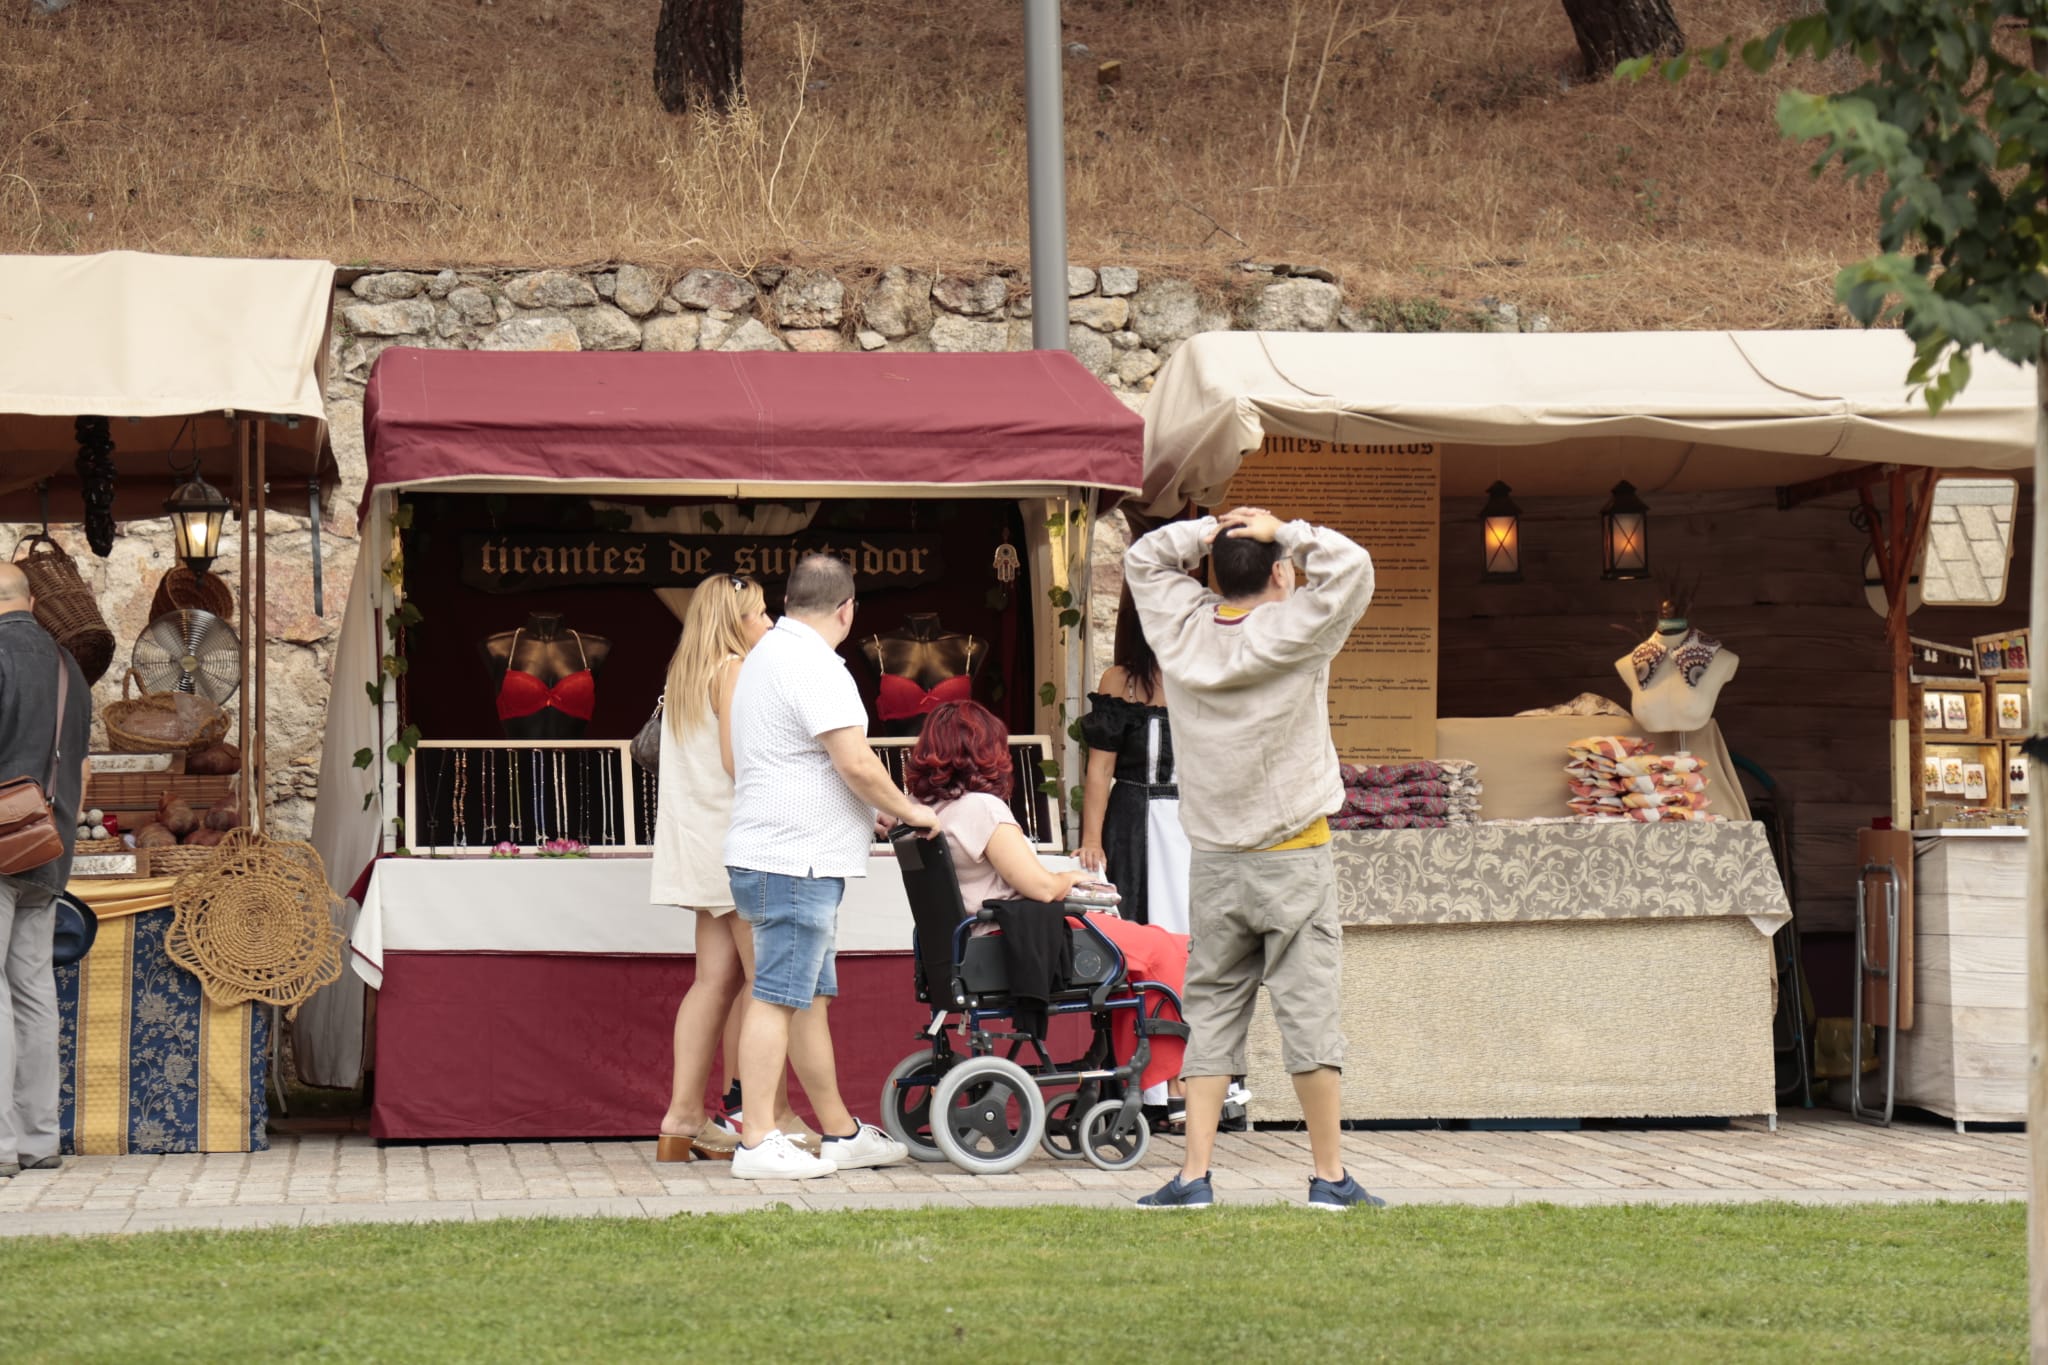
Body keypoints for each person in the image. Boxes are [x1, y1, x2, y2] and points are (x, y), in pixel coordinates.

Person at [1124, 507, 1383, 1211]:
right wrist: (1286, 529)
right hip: (1294, 855)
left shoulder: (1182, 629)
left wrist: (1206, 528)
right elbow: (1353, 567)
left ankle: (1193, 1175)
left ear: (1215, 571)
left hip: (1214, 859)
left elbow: (1142, 559)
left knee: (1210, 1011)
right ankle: (1329, 1176)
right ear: (1280, 573)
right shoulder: (1298, 627)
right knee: (1310, 1013)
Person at [722, 552, 938, 1180]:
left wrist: (866, 813)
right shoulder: (814, 664)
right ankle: (757, 1141)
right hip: (796, 860)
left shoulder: (769, 653)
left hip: (782, 853)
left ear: (789, 600)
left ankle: (839, 1133)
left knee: (806, 998)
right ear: (847, 609)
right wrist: (912, 810)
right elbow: (855, 762)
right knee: (776, 997)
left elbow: (801, 762)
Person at [906, 700, 1188, 1098]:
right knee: (1167, 947)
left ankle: (1148, 1074)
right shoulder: (982, 809)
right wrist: (1072, 878)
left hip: (970, 945)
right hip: (1011, 940)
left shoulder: (927, 811)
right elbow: (1039, 887)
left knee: (1144, 951)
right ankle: (1174, 1083)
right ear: (986, 750)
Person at [650, 575, 820, 1163]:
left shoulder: (684, 673)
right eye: (759, 613)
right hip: (740, 843)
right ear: (733, 620)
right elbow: (737, 760)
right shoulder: (735, 669)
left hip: (699, 845)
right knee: (769, 985)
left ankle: (682, 1118)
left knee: (714, 981)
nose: (769, 622)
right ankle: (771, 1117)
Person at [1075, 591, 1193, 1124]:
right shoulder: (1119, 681)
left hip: (1192, 826)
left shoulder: (1200, 674)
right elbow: (1099, 770)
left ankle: (1195, 1081)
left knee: (1193, 948)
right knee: (1141, 950)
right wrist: (1091, 839)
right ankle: (1145, 1085)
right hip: (1133, 825)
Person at [0, 563, 91, 1180]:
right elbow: (81, 768)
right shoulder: (68, 666)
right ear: (31, 601)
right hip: (48, 844)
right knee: (33, 992)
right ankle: (39, 1138)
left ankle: (2, 1144)